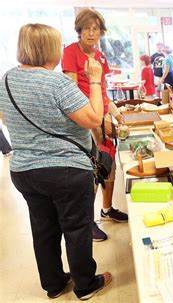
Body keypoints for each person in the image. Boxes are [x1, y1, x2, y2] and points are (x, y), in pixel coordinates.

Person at [0, 23, 111, 300]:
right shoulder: (57, 82)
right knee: (76, 228)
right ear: (49, 49)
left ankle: (54, 284)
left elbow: (5, 118)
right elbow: (94, 119)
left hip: (24, 170)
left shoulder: (5, 81)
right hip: (66, 169)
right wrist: (95, 79)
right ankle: (85, 285)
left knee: (43, 228)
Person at [62, 8, 128, 242]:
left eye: (96, 29)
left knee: (108, 166)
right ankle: (87, 222)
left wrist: (116, 114)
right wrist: (96, 123)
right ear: (79, 30)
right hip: (83, 121)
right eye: (86, 28)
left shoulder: (100, 56)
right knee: (90, 172)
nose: (91, 33)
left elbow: (103, 92)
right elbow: (71, 93)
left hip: (101, 116)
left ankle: (107, 210)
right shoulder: (70, 52)